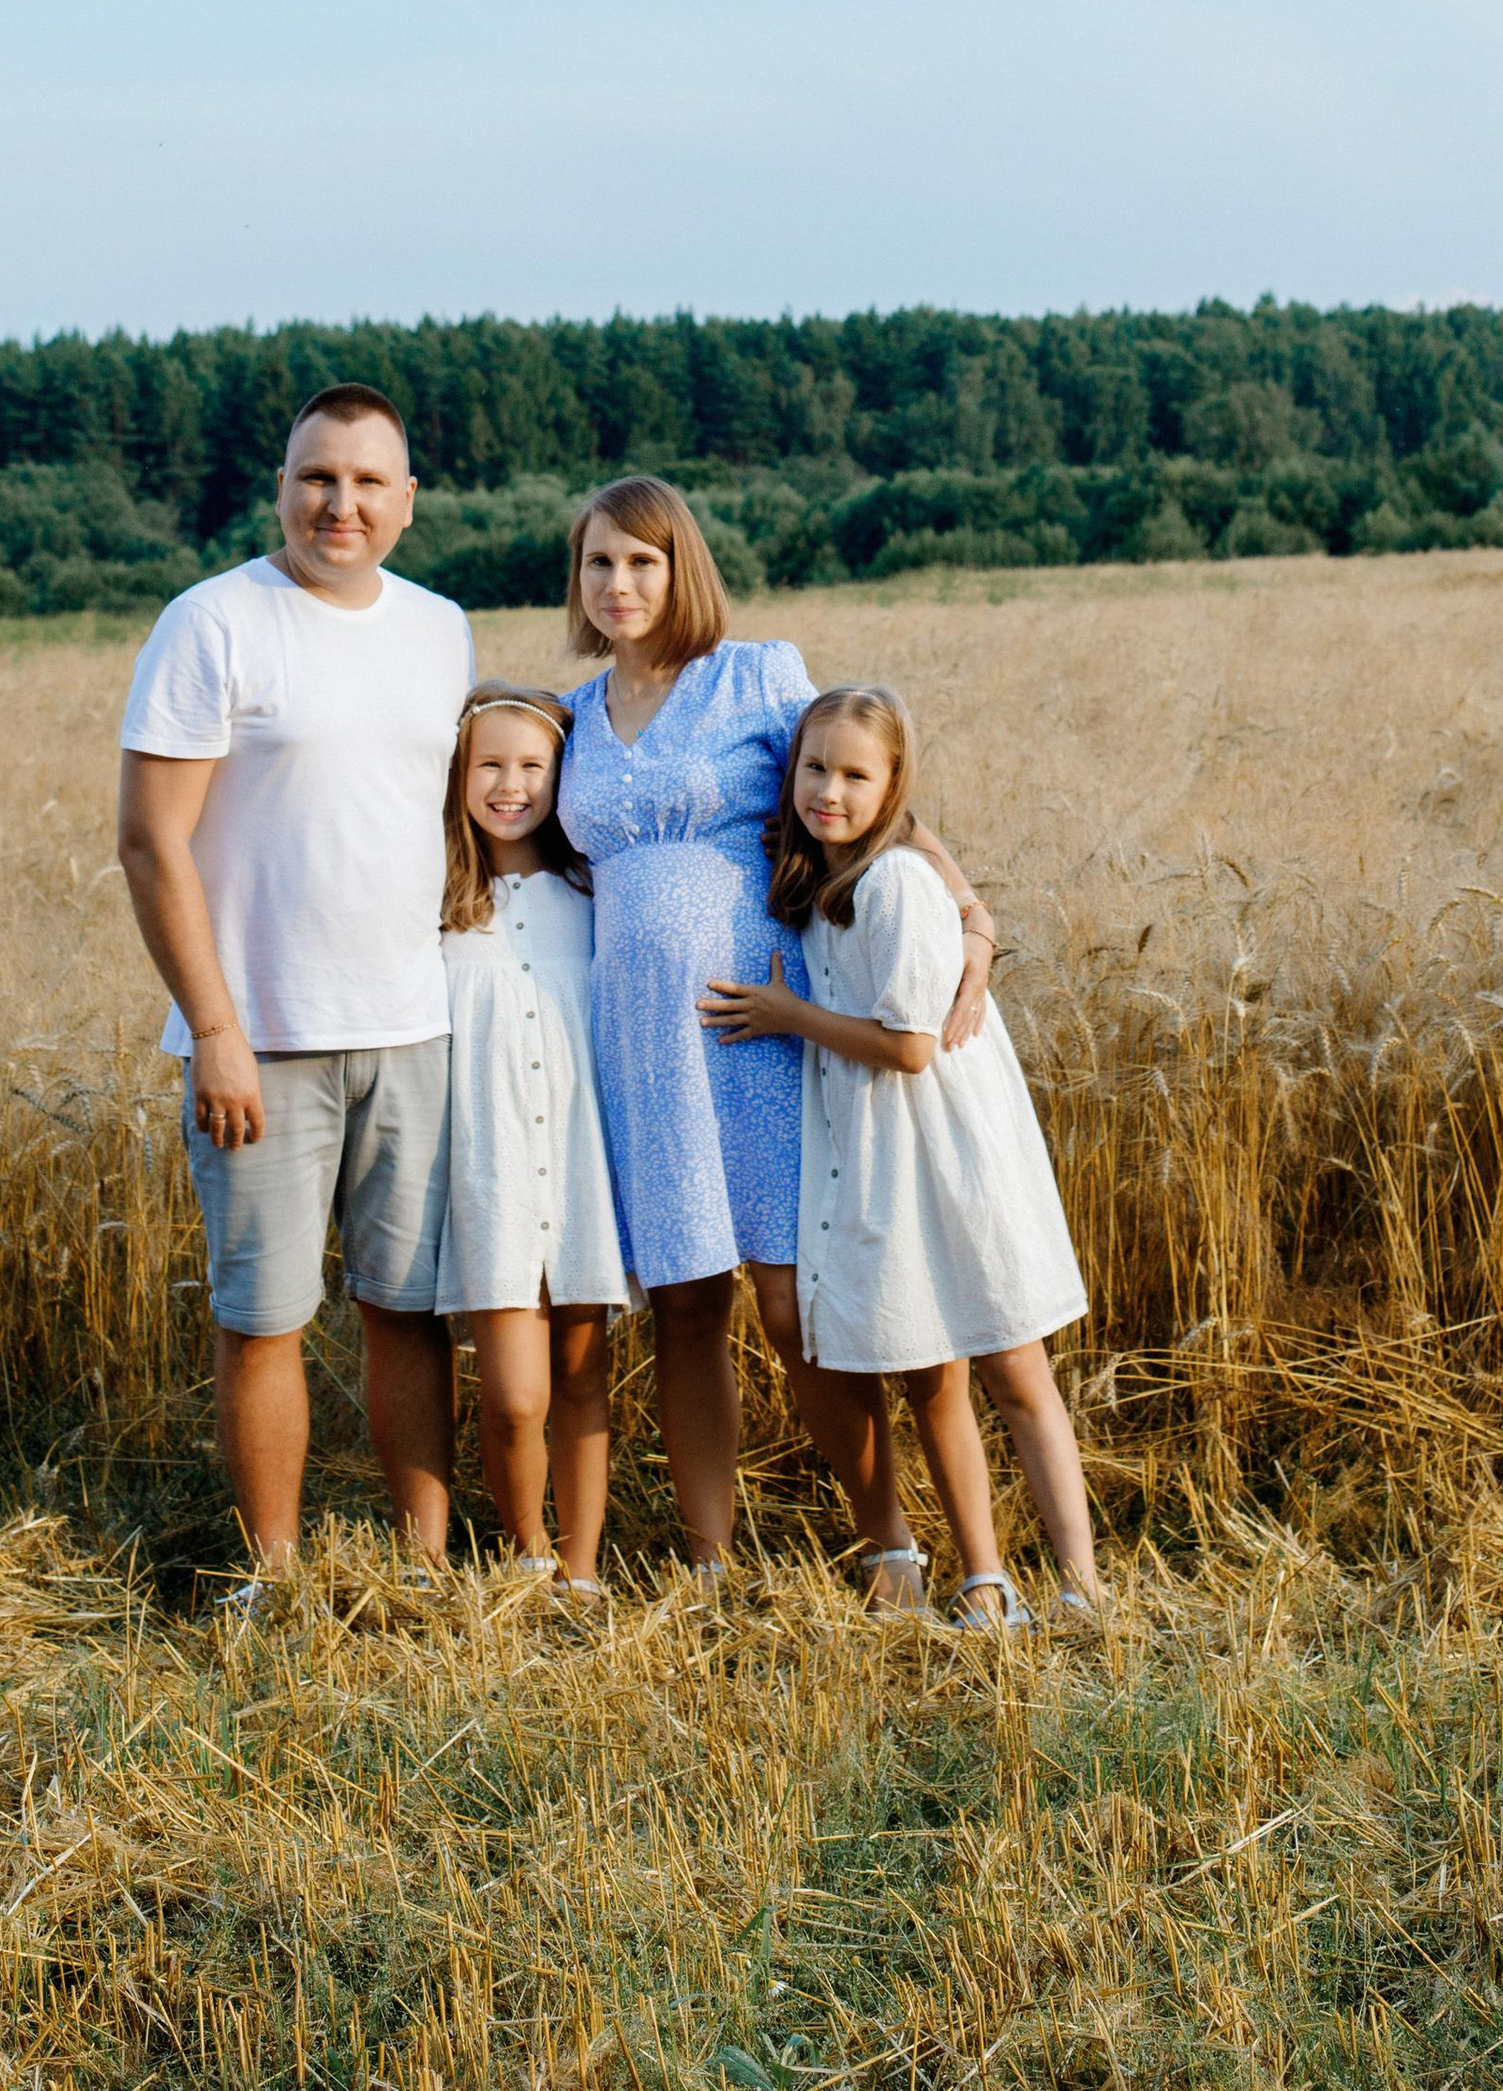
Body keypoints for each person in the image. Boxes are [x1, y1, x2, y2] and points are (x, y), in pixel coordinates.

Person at [554, 472, 999, 1593]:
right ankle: (709, 1560)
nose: (619, 583)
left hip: (763, 1035)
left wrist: (972, 917)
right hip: (641, 1048)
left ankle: (888, 1539)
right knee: (685, 1300)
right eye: (600, 562)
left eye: (643, 561)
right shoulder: (575, 720)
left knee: (794, 1295)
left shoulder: (758, 674)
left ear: (681, 567)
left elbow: (879, 798)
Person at [114, 385, 471, 1592]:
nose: (342, 503)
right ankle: (275, 1577)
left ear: (407, 502)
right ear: (282, 485)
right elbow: (151, 842)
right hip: (259, 1042)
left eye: (369, 481)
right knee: (262, 1318)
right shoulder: (214, 623)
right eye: (319, 477)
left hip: (413, 1029)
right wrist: (215, 1030)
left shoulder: (440, 629)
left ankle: (420, 1570)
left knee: (410, 1311)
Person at [703, 683, 1100, 1628]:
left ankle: (1083, 1585)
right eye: (813, 770)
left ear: (893, 788)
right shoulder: (822, 880)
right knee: (931, 1374)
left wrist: (786, 1016)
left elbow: (912, 1046)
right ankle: (985, 1576)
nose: (828, 791)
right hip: (880, 1153)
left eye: (854, 775)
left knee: (1013, 1364)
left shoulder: (894, 885)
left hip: (947, 1153)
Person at [433, 680, 631, 1598]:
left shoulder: (591, 895)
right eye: (489, 766)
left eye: (531, 766)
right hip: (493, 1173)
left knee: (584, 1380)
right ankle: (527, 1552)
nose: (510, 785)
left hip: (583, 1172)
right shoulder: (435, 907)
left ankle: (581, 1572)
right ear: (458, 776)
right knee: (516, 1397)